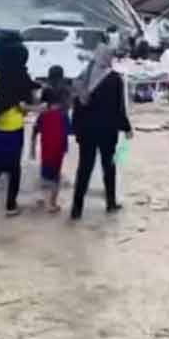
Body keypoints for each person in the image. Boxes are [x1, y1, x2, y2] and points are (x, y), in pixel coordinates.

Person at [70, 45, 133, 220]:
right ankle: (110, 203)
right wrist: (127, 128)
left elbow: (76, 107)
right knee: (109, 167)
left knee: (84, 169)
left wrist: (76, 130)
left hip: (87, 132)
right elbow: (118, 108)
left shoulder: (83, 78)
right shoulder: (114, 80)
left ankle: (76, 209)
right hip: (107, 132)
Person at [0, 41, 38, 220]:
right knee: (14, 169)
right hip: (13, 128)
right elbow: (27, 106)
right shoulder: (23, 76)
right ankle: (11, 206)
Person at [30, 66, 73, 212]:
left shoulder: (44, 111)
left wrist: (31, 147)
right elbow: (71, 128)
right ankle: (52, 203)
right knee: (56, 168)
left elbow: (36, 128)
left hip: (47, 136)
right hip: (60, 134)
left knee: (46, 165)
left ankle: (43, 198)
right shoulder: (66, 92)